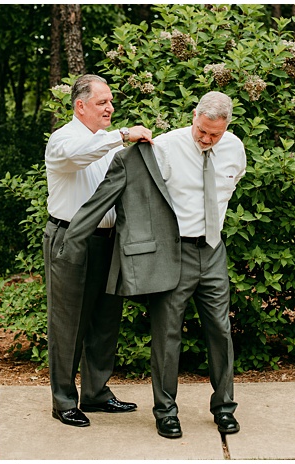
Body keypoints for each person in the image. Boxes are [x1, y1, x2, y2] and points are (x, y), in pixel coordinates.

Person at [58, 91, 247, 439]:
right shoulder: (164, 147)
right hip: (175, 253)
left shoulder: (235, 149)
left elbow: (229, 188)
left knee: (220, 330)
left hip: (213, 250)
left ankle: (224, 408)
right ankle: (166, 412)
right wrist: (75, 238)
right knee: (166, 334)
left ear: (226, 128)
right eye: (201, 130)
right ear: (194, 117)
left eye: (213, 135)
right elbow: (124, 187)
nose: (205, 139)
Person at [44, 73, 151, 427]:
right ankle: (63, 401)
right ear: (80, 105)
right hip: (70, 239)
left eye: (110, 101)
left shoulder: (108, 143)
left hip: (108, 241)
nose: (110, 107)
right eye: (102, 102)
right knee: (68, 324)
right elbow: (79, 155)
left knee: (106, 320)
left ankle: (96, 393)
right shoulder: (63, 140)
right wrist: (120, 136)